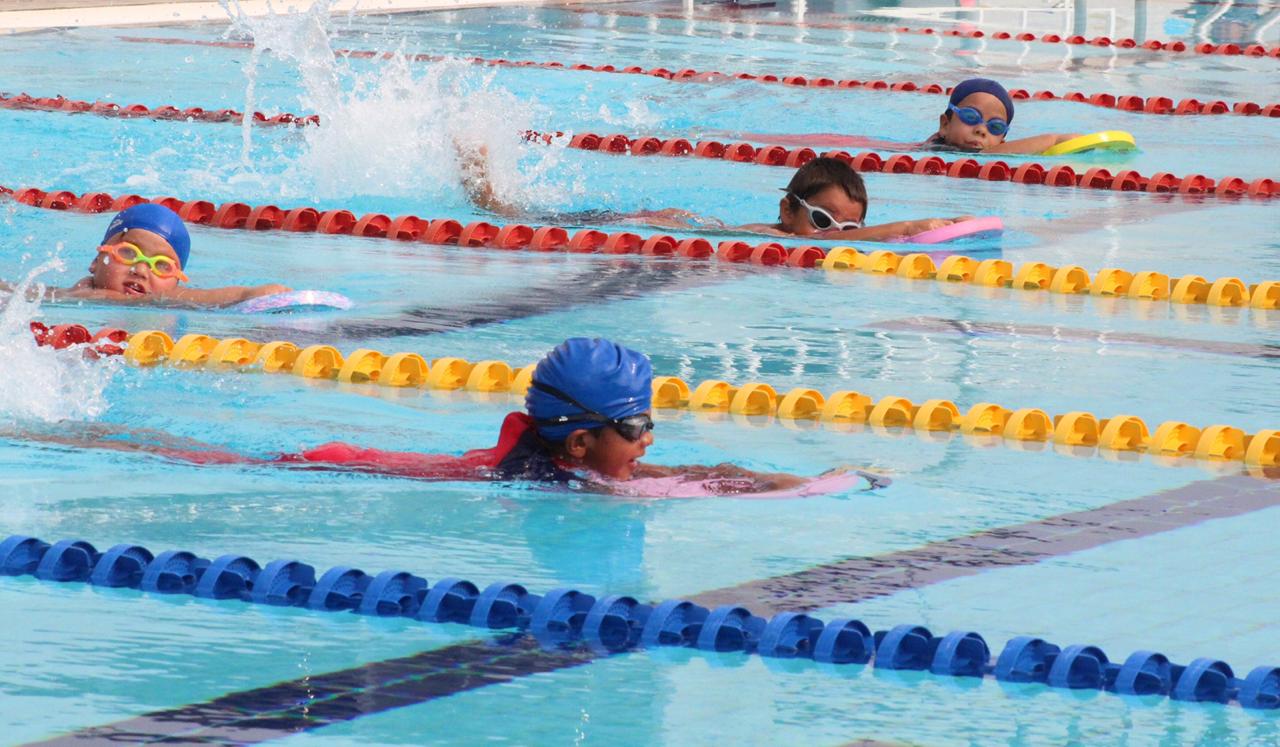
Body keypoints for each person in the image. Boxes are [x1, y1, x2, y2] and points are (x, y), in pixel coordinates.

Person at [459, 143, 968, 242]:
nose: (832, 235)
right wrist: (910, 227)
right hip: (654, 225)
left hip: (686, 222)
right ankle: (486, 192)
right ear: (787, 210)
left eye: (848, 227)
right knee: (515, 216)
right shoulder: (774, 237)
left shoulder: (805, 238)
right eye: (821, 220)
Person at [2, 204, 289, 307]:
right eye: (128, 253)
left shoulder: (169, 299)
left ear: (177, 281)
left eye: (161, 266)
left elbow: (213, 298)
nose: (140, 270)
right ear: (95, 261)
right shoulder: (69, 294)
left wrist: (254, 294)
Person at [925, 78, 1080, 154]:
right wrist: (1056, 140)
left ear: (1002, 141)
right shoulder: (933, 149)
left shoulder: (989, 152)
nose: (981, 130)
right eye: (971, 117)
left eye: (995, 127)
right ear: (945, 125)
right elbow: (1053, 141)